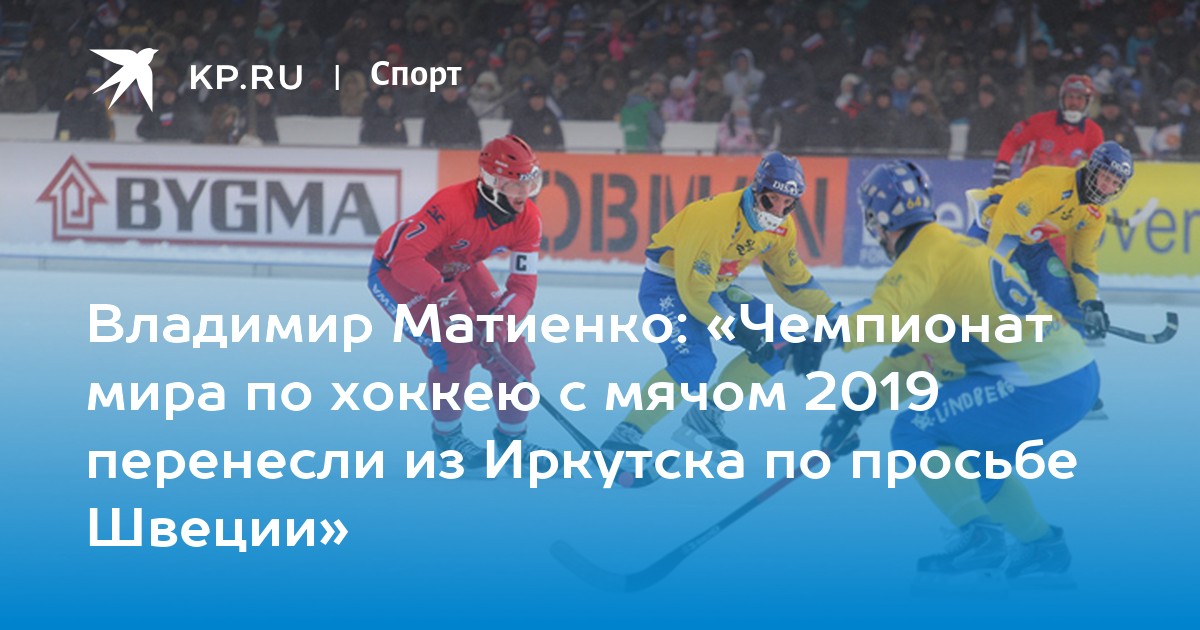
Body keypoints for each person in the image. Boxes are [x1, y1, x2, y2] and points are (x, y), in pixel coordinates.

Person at [812, 159, 1099, 579]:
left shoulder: (924, 253)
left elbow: (885, 314)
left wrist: (822, 336)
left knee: (914, 429)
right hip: (1075, 377)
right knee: (976, 464)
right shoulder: (952, 248)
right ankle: (1043, 549)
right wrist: (855, 408)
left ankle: (981, 540)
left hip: (1037, 382)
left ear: (876, 219)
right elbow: (921, 354)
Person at [599, 153, 836, 467]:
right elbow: (695, 289)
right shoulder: (715, 218)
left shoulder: (781, 228)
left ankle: (706, 416)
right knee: (696, 362)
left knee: (780, 345)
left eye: (788, 204)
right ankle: (623, 438)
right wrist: (736, 328)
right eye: (772, 199)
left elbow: (790, 278)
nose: (778, 211)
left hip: (717, 286)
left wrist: (830, 313)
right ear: (757, 189)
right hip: (669, 286)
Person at [368, 135, 557, 470]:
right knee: (456, 349)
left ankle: (512, 439)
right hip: (399, 273)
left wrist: (502, 322)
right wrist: (446, 297)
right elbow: (406, 260)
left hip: (458, 266)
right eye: (516, 185)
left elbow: (524, 287)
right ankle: (447, 434)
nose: (525, 194)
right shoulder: (451, 204)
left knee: (513, 354)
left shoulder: (529, 219)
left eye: (531, 183)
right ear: (492, 182)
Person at [967, 141, 1134, 335]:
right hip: (992, 232)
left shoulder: (1094, 214)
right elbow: (1007, 229)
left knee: (1064, 298)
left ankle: (1067, 335)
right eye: (1105, 177)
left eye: (1115, 183)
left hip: (1032, 244)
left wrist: (1092, 305)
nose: (1107, 187)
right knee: (989, 297)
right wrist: (996, 279)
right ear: (1093, 168)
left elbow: (1082, 262)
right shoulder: (1051, 186)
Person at [991, 75, 1103, 186]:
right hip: (1032, 186)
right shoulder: (1041, 121)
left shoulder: (1093, 132)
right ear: (1062, 98)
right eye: (1070, 97)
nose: (1074, 102)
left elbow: (1097, 165)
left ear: (1088, 102)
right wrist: (1002, 165)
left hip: (1065, 190)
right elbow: (1012, 140)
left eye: (1079, 98)